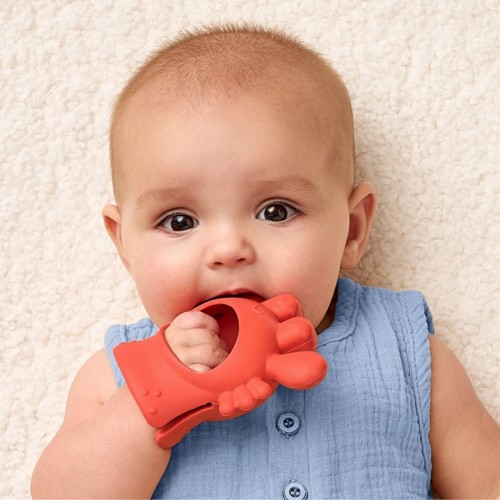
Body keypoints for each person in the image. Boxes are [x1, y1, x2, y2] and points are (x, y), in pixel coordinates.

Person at [31, 24, 500, 499]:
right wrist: (152, 397)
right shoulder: (121, 374)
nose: (227, 249)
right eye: (178, 221)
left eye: (275, 211)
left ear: (352, 230)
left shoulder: (406, 352)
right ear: (125, 247)